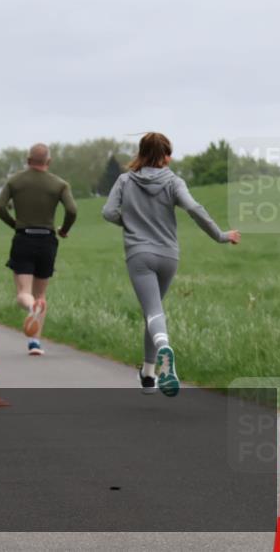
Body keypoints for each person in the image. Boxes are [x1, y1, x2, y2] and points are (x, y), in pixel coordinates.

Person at [103, 132, 239, 396]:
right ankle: (148, 375)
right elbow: (194, 209)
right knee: (153, 312)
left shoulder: (125, 180)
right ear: (165, 156)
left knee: (153, 313)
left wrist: (129, 222)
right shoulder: (174, 182)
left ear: (141, 154)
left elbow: (108, 212)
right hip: (168, 256)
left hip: (139, 255)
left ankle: (164, 349)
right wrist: (221, 236)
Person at [0, 143, 77, 356]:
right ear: (48, 162)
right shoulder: (60, 184)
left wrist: (14, 224)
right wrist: (64, 229)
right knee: (41, 294)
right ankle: (34, 343)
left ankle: (32, 309)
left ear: (28, 159)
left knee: (23, 293)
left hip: (24, 238)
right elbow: (72, 209)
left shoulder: (15, 181)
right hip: (47, 240)